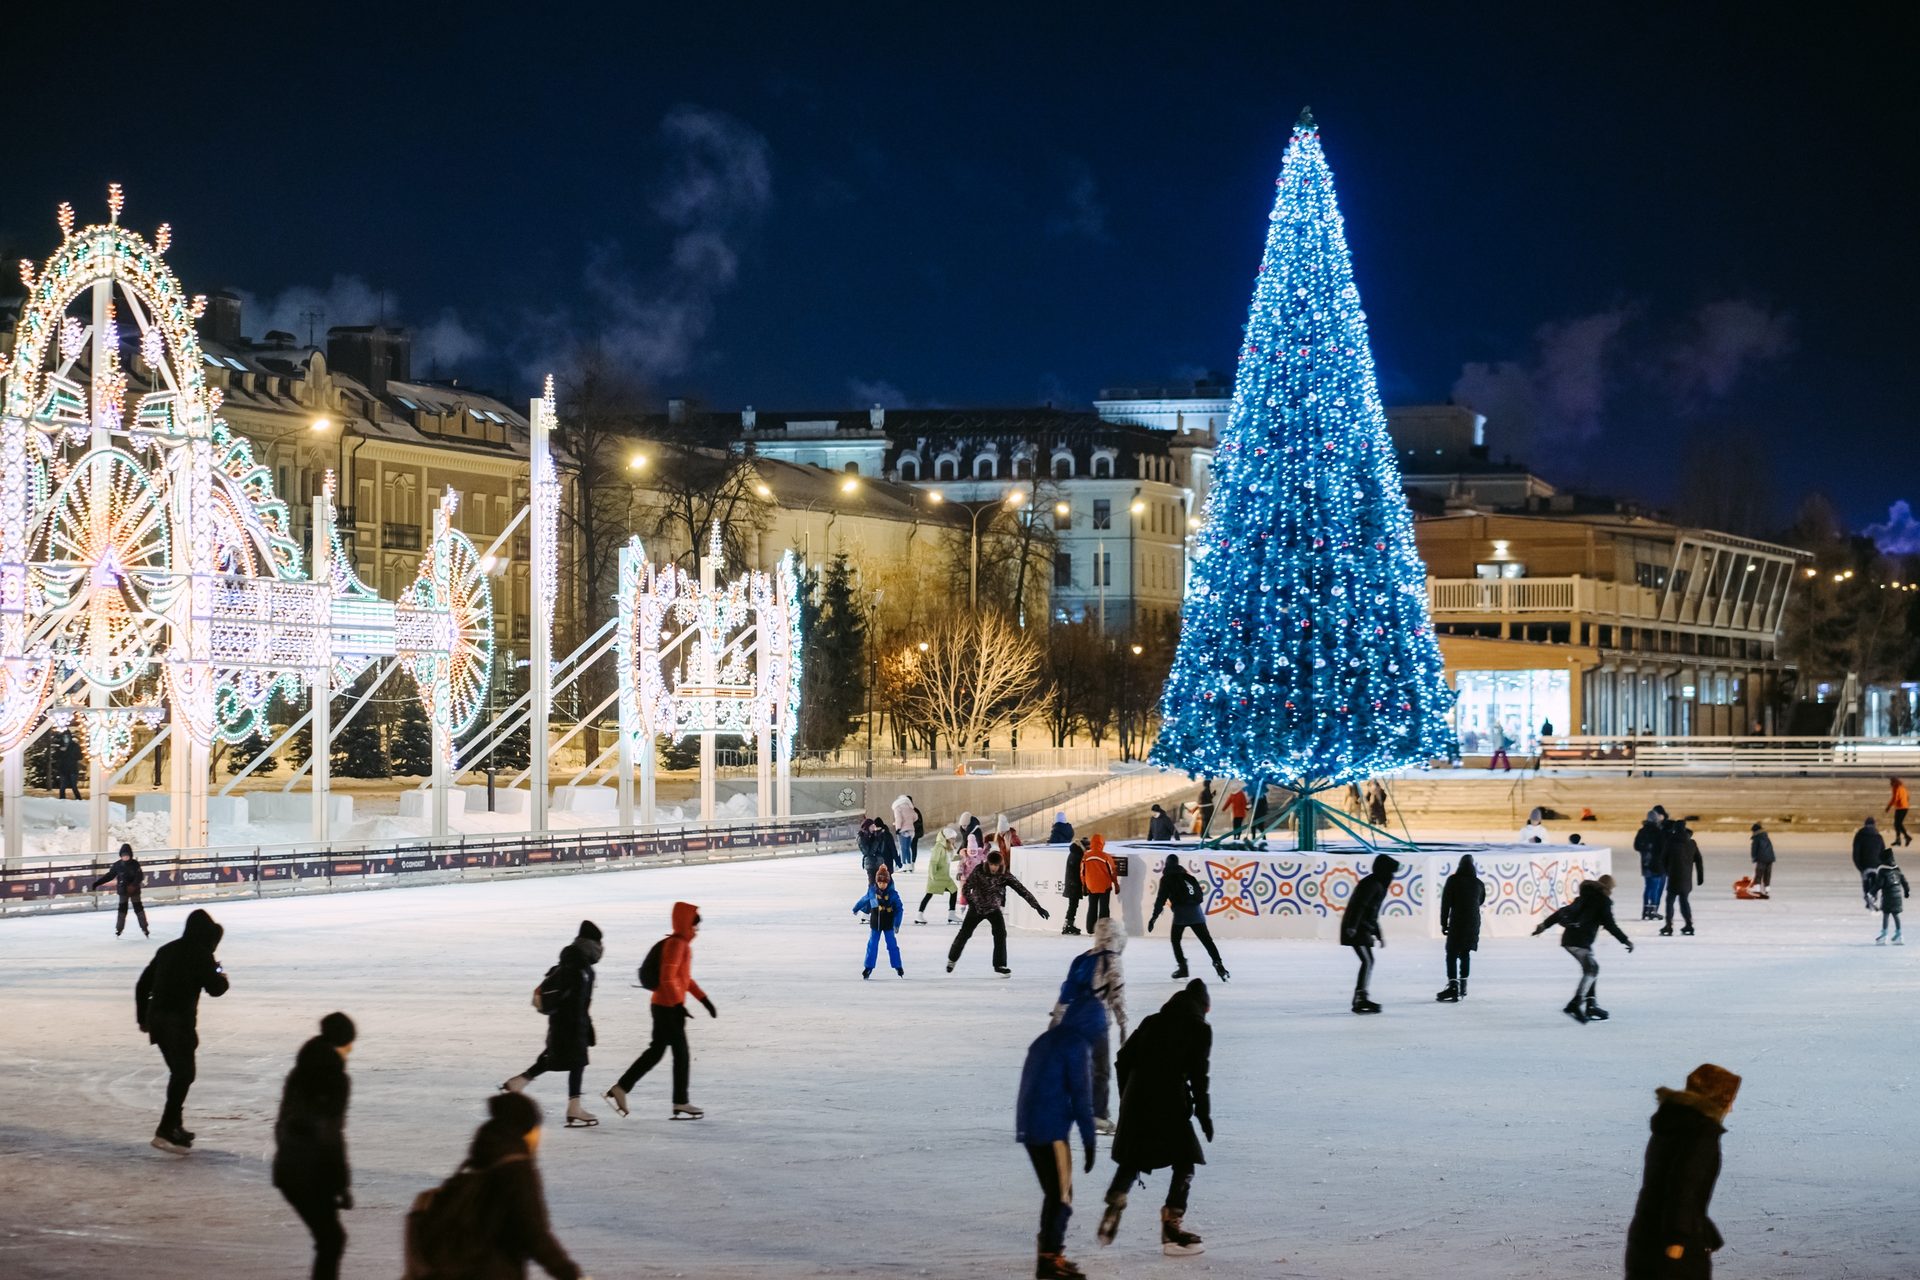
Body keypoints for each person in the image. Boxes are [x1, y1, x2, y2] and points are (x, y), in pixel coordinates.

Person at [405, 1091, 583, 1280]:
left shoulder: (478, 1161)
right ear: (527, 1130)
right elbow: (534, 1234)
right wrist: (570, 1274)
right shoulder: (516, 1169)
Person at [1096, 979, 1212, 1258]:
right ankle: (1172, 1227)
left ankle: (1117, 1195)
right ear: (1205, 1007)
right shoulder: (1199, 1028)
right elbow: (1199, 1075)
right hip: (1168, 1097)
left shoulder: (1153, 1020)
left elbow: (1123, 1057)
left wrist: (1127, 1096)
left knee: (1134, 1154)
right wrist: (1204, 1115)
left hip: (1137, 1094)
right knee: (1186, 1159)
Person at [1016, 984, 1102, 1280]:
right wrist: (1090, 1142)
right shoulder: (1076, 1045)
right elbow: (1082, 1097)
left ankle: (1050, 1256)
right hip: (1050, 1129)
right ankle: (1050, 1261)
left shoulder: (1047, 1038)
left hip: (1029, 1126)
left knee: (1055, 1193)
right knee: (1062, 1195)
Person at [1625, 1064, 1741, 1279]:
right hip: (1674, 1246)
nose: (1732, 1108)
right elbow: (1683, 1186)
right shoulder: (1701, 1134)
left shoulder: (1670, 1125)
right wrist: (1678, 1240)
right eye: (1731, 1099)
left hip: (1645, 1234)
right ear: (1719, 1099)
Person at [604, 903, 714, 1120]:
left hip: (665, 1006)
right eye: (695, 926)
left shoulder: (681, 944)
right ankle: (680, 1102)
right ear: (686, 924)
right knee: (680, 1055)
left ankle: (622, 1088)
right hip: (667, 1008)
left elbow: (684, 979)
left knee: (656, 1052)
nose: (696, 932)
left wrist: (704, 999)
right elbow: (666, 978)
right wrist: (678, 1005)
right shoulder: (676, 945)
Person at [135, 907, 229, 1152]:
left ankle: (175, 1125)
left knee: (182, 1072)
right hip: (176, 1021)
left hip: (159, 1019)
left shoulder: (167, 950)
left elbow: (142, 984)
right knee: (183, 1073)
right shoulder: (201, 954)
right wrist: (220, 972)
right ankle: (166, 1129)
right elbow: (216, 988)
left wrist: (143, 1018)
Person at [274, 1012, 356, 1280]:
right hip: (312, 1171)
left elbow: (281, 1123)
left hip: (288, 1168)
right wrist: (340, 1184)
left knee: (330, 1239)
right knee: (332, 1240)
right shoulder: (335, 1080)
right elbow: (330, 1133)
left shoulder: (299, 1073)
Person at [501, 921, 603, 1129]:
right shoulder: (580, 968)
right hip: (571, 1025)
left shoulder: (573, 963)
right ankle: (573, 1107)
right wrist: (583, 1026)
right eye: (598, 943)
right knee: (574, 1062)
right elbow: (578, 1002)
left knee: (555, 1059)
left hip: (565, 1023)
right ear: (591, 944)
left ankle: (518, 1083)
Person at [1053, 916, 1129, 1134]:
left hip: (1072, 1022)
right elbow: (1117, 994)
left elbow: (1066, 991)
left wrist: (1057, 1019)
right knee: (1100, 1070)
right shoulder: (1112, 959)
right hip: (1095, 1023)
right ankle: (1097, 1115)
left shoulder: (1083, 958)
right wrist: (1124, 1025)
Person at [1532, 875, 1634, 1022]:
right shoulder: (1602, 902)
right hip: (1580, 941)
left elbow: (1561, 912)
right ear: (1608, 888)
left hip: (1571, 939)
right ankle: (1576, 1003)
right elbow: (1610, 925)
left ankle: (1591, 1004)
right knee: (1592, 969)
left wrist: (1544, 926)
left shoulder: (1584, 897)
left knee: (1591, 968)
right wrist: (1625, 940)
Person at [947, 847, 1049, 976]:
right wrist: (971, 901)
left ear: (1000, 864)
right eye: (991, 865)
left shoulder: (1004, 875)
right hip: (976, 908)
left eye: (996, 865)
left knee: (1000, 934)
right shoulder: (979, 870)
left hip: (993, 909)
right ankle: (952, 959)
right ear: (987, 863)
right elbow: (967, 887)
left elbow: (1022, 890)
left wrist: (1037, 907)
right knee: (965, 934)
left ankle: (999, 965)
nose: (993, 868)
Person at [1148, 853, 1227, 982]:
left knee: (1175, 940)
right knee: (1207, 941)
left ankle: (1183, 968)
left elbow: (1160, 899)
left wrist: (1154, 917)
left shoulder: (1166, 878)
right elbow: (1199, 895)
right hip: (1197, 913)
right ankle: (1219, 965)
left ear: (1167, 864)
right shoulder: (1189, 876)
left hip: (1181, 914)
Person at [1340, 854, 1399, 1014]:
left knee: (1368, 961)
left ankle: (1361, 997)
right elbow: (1360, 906)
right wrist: (1352, 926)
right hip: (1357, 928)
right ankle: (1360, 998)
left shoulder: (1376, 883)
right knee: (1367, 960)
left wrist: (1378, 934)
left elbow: (1372, 912)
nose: (1393, 877)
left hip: (1361, 927)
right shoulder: (1373, 884)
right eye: (1391, 873)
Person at [1436, 854, 1486, 1002]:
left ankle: (1452, 986)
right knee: (1465, 953)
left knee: (1451, 953)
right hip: (1473, 923)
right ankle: (1463, 986)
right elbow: (1481, 900)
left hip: (1458, 922)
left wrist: (1443, 924)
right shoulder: (1479, 883)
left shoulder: (1453, 881)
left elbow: (1446, 903)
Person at [854, 863, 906, 978]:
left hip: (888, 924)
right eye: (880, 882)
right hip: (875, 923)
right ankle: (868, 967)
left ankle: (898, 966)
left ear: (888, 882)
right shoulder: (872, 892)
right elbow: (864, 899)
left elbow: (899, 909)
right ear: (877, 881)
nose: (882, 885)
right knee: (872, 945)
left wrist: (897, 924)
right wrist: (856, 908)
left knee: (892, 945)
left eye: (884, 882)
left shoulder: (893, 894)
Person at [91, 842, 148, 937]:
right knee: (122, 910)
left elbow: (139, 876)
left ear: (130, 855)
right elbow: (109, 876)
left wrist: (133, 885)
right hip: (123, 891)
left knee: (138, 909)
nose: (125, 857)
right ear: (120, 856)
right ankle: (119, 929)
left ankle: (144, 928)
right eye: (123, 855)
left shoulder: (135, 864)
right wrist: (97, 883)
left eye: (127, 855)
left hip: (135, 891)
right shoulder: (117, 865)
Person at [1661, 819, 1705, 936]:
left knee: (1670, 901)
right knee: (1684, 901)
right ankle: (1689, 925)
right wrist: (1700, 877)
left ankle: (1669, 925)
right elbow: (1699, 861)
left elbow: (1663, 859)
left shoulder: (1670, 842)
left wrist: (1666, 871)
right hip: (1686, 878)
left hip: (1673, 877)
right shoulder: (1692, 843)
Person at [918, 823, 961, 924]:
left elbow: (950, 858)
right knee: (929, 894)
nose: (954, 840)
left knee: (953, 891)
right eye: (952, 838)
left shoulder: (947, 848)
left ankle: (951, 915)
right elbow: (933, 862)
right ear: (947, 838)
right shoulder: (939, 847)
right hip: (937, 876)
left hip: (945, 877)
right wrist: (932, 875)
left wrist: (962, 857)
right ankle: (919, 915)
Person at [1635, 807, 1669, 921]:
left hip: (1645, 863)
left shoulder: (1642, 831)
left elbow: (1637, 845)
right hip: (1656, 864)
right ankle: (1653, 910)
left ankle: (1645, 910)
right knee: (1655, 887)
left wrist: (1645, 851)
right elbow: (1663, 848)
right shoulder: (1658, 832)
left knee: (1648, 887)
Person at [1079, 835, 1118, 932]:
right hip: (1104, 885)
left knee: (1092, 907)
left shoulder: (1086, 856)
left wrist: (1084, 885)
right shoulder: (1106, 856)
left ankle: (1090, 929)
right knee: (1104, 908)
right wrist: (1116, 884)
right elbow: (1112, 872)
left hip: (1091, 885)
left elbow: (1082, 872)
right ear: (1102, 844)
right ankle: (1103, 930)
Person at [1875, 849, 1909, 944]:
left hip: (1887, 896)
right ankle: (1899, 934)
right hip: (1897, 896)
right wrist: (1906, 891)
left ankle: (1884, 935)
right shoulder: (1897, 869)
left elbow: (1879, 884)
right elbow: (1903, 881)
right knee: (1896, 914)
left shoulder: (1882, 871)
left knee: (1886, 915)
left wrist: (1872, 892)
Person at [1853, 815, 1888, 908]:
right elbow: (1883, 852)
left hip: (1864, 865)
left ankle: (1868, 898)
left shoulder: (1859, 836)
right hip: (1876, 864)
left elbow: (1856, 853)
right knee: (1875, 882)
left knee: (1866, 882)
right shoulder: (1878, 836)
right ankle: (1874, 898)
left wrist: (1859, 867)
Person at [859, 815, 898, 886]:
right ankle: (872, 896)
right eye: (872, 826)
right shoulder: (862, 837)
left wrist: (880, 839)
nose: (874, 828)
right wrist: (877, 840)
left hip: (880, 863)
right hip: (871, 864)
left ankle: (891, 896)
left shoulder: (876, 835)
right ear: (867, 827)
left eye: (874, 826)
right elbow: (869, 852)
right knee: (873, 884)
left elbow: (881, 850)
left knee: (887, 882)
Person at [1060, 836, 1087, 936]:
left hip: (1072, 883)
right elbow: (1080, 871)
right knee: (1073, 905)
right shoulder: (1078, 855)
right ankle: (1068, 924)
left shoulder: (1074, 853)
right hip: (1074, 884)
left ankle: (1069, 924)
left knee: (1073, 905)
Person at [52, 726, 82, 799]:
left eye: (67, 737)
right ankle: (62, 800)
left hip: (72, 769)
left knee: (74, 786)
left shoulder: (75, 746)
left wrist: (67, 752)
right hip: (63, 769)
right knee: (62, 787)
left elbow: (80, 757)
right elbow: (55, 757)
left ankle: (79, 800)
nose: (65, 738)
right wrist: (60, 751)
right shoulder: (60, 746)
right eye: (64, 737)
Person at [1748, 822, 1775, 897]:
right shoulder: (1766, 837)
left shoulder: (1756, 838)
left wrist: (1754, 858)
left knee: (1759, 873)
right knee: (1767, 873)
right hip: (1770, 858)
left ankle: (1757, 888)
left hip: (1762, 858)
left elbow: (1754, 849)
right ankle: (1767, 889)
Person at [890, 794, 917, 870]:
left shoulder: (898, 808)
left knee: (902, 848)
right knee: (908, 848)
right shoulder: (910, 808)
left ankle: (904, 865)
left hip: (902, 830)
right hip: (911, 830)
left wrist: (898, 828)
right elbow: (916, 817)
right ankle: (909, 865)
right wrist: (909, 822)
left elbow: (898, 819)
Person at [1886, 777, 1911, 847]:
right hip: (1904, 807)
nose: (1890, 783)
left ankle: (1905, 837)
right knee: (1897, 824)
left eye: (1891, 782)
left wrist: (1889, 806)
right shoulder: (1902, 787)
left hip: (1901, 808)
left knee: (1898, 824)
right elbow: (1908, 797)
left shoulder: (1896, 788)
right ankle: (1900, 839)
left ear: (1894, 782)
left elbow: (1895, 798)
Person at [910, 796, 925, 868]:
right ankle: (908, 862)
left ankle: (912, 862)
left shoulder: (915, 811)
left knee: (913, 847)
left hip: (915, 833)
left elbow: (919, 822)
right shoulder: (912, 810)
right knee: (906, 847)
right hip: (909, 832)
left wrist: (910, 826)